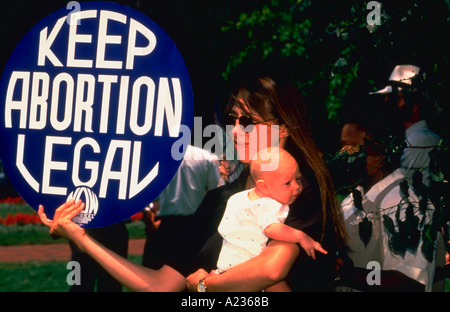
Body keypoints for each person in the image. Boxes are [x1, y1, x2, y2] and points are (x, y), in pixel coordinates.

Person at [38, 75, 348, 292]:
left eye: (249, 122)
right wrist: (81, 239)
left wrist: (206, 284)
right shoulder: (219, 198)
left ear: (284, 130)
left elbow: (270, 270)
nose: (236, 131)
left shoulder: (296, 187)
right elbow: (161, 285)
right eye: (231, 121)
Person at [337, 121, 442, 291]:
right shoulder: (351, 199)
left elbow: (411, 284)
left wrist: (348, 275)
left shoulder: (407, 205)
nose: (343, 155)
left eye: (353, 147)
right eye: (343, 145)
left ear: (379, 152)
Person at [214, 147, 327, 292]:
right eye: (288, 183)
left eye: (298, 178)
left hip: (225, 264)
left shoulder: (237, 198)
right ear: (263, 186)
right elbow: (272, 228)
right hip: (247, 266)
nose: (297, 187)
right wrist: (301, 236)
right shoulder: (271, 204)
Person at [141, 144, 223, 269]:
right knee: (187, 273)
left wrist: (149, 217)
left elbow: (146, 196)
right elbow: (217, 191)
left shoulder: (156, 156)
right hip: (193, 224)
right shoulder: (204, 156)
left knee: (153, 276)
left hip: (165, 226)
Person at [370, 64, 442, 185]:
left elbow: (400, 189)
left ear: (414, 104)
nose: (387, 101)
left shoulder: (420, 139)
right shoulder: (408, 138)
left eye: (396, 98)